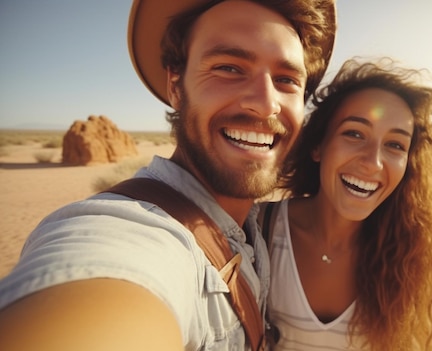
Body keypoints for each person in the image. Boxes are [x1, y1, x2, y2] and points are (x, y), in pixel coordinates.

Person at [0, 1, 336, 350]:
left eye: (286, 80)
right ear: (176, 86)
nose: (266, 103)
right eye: (229, 68)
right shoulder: (133, 234)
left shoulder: (257, 227)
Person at [261, 58, 432, 351]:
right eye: (354, 134)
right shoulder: (259, 228)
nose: (373, 163)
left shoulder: (408, 253)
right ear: (318, 145)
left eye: (395, 145)